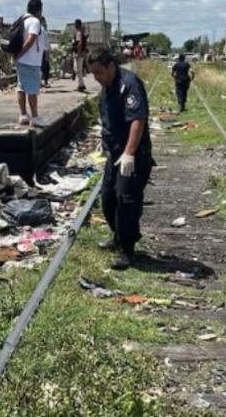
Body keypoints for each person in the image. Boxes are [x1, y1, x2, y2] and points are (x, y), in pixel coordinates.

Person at [90, 48, 154, 270]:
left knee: (126, 200)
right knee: (108, 199)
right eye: (93, 74)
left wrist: (129, 153)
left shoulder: (129, 84)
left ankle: (127, 250)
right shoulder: (107, 88)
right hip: (114, 154)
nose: (97, 78)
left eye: (99, 72)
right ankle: (120, 236)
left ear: (111, 66)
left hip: (132, 155)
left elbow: (137, 119)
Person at [15, 0, 46, 127]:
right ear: (39, 10)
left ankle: (23, 115)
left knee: (21, 88)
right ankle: (34, 117)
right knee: (32, 90)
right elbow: (31, 39)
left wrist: (17, 56)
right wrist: (21, 53)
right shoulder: (35, 21)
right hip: (31, 61)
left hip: (21, 61)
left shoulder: (22, 19)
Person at [72, 19, 88, 92]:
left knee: (78, 70)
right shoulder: (80, 33)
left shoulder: (78, 33)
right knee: (78, 69)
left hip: (79, 53)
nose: (74, 25)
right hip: (81, 53)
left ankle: (81, 85)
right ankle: (81, 84)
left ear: (77, 24)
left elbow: (79, 44)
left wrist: (78, 54)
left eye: (75, 24)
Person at [39, 16, 52, 88]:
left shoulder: (38, 29)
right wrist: (48, 51)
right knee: (45, 67)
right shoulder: (43, 30)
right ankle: (45, 82)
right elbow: (46, 42)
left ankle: (40, 82)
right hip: (44, 51)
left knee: (40, 67)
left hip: (39, 51)